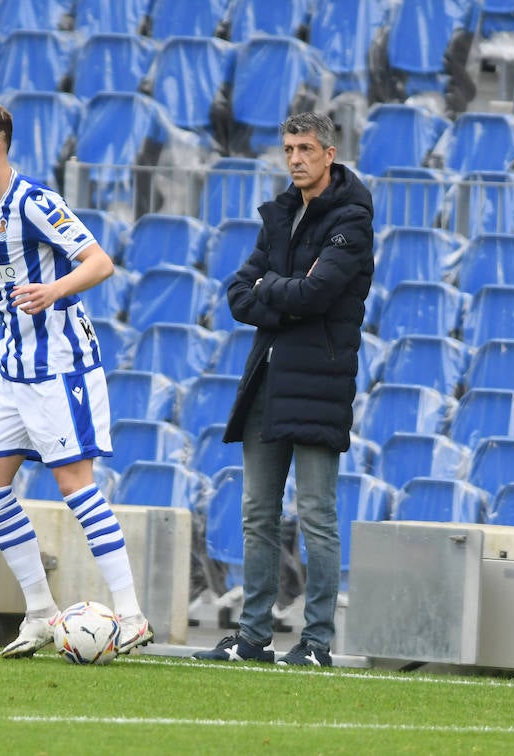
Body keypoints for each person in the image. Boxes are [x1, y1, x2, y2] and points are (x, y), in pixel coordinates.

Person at [0, 97, 153, 659]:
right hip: (14, 369)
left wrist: (52, 291)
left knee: (76, 487)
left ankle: (131, 615)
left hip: (59, 367)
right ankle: (39, 612)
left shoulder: (36, 203)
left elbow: (100, 262)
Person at [193, 112, 374, 667]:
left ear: (329, 154)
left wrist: (273, 288)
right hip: (266, 380)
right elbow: (237, 295)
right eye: (289, 148)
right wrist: (283, 292)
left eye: (305, 149)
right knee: (257, 513)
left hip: (318, 385)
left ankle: (316, 642)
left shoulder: (351, 220)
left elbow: (315, 295)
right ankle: (252, 638)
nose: (294, 158)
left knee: (316, 515)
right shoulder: (279, 215)